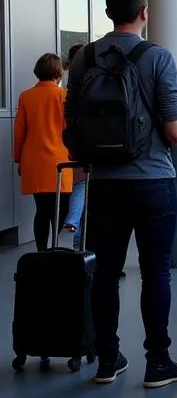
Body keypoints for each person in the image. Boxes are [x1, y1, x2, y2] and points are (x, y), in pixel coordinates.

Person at [64, 0, 177, 388]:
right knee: (156, 273)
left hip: (103, 183)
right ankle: (157, 362)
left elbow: (71, 124)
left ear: (107, 13)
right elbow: (173, 132)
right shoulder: (158, 57)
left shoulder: (84, 58)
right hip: (153, 181)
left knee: (105, 273)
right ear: (144, 12)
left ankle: (106, 359)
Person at [14, 53, 72, 251]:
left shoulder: (26, 96)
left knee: (41, 209)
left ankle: (41, 251)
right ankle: (54, 248)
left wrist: (18, 158)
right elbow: (69, 128)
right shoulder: (64, 96)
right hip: (60, 160)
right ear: (58, 72)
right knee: (60, 209)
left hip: (34, 161)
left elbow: (20, 131)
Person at [62, 42, 87, 249]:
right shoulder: (93, 84)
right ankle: (85, 251)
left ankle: (79, 249)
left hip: (76, 149)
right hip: (92, 150)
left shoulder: (70, 87)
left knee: (80, 187)